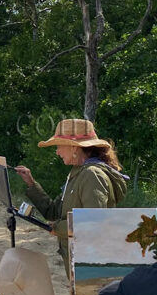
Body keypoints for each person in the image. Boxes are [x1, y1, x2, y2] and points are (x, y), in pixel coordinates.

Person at [14, 118, 127, 277]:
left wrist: (57, 228)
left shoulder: (91, 175)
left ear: (74, 147)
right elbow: (53, 211)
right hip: (81, 262)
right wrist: (32, 184)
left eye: (59, 146)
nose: (57, 152)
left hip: (92, 266)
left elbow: (94, 223)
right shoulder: (78, 173)